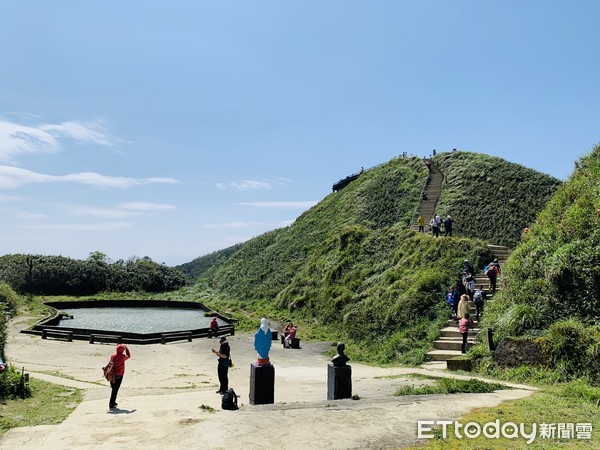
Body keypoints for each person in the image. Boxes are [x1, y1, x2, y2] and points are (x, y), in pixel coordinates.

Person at [109, 343, 131, 409]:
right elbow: (129, 356)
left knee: (113, 389)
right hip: (119, 374)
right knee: (115, 390)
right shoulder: (123, 356)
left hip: (112, 374)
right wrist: (127, 349)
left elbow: (111, 363)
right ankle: (112, 403)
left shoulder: (113, 356)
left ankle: (113, 402)